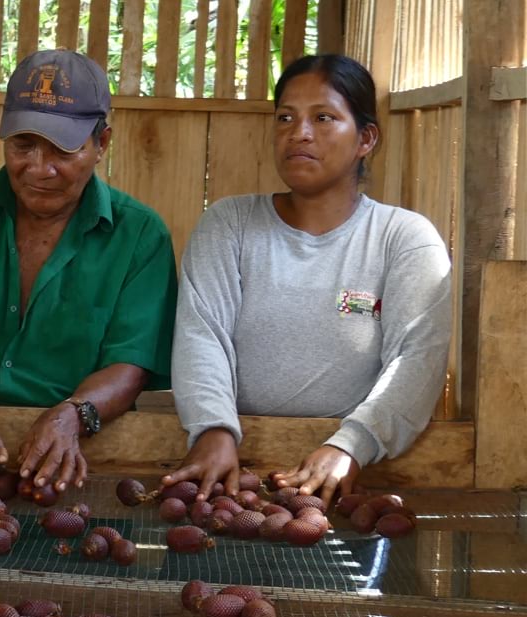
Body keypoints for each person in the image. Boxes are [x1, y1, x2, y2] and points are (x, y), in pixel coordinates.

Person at [165, 54, 452, 504]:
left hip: (351, 486)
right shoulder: (229, 224)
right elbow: (203, 335)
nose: (298, 132)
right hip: (229, 480)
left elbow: (416, 361)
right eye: (285, 117)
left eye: (323, 117)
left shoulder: (405, 239)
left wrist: (351, 445)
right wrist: (214, 428)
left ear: (366, 139)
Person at [0, 50, 178, 493]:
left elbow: (131, 364)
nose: (38, 168)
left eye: (63, 149)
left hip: (86, 459)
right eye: (22, 145)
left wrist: (73, 416)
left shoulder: (140, 235)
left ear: (102, 144)